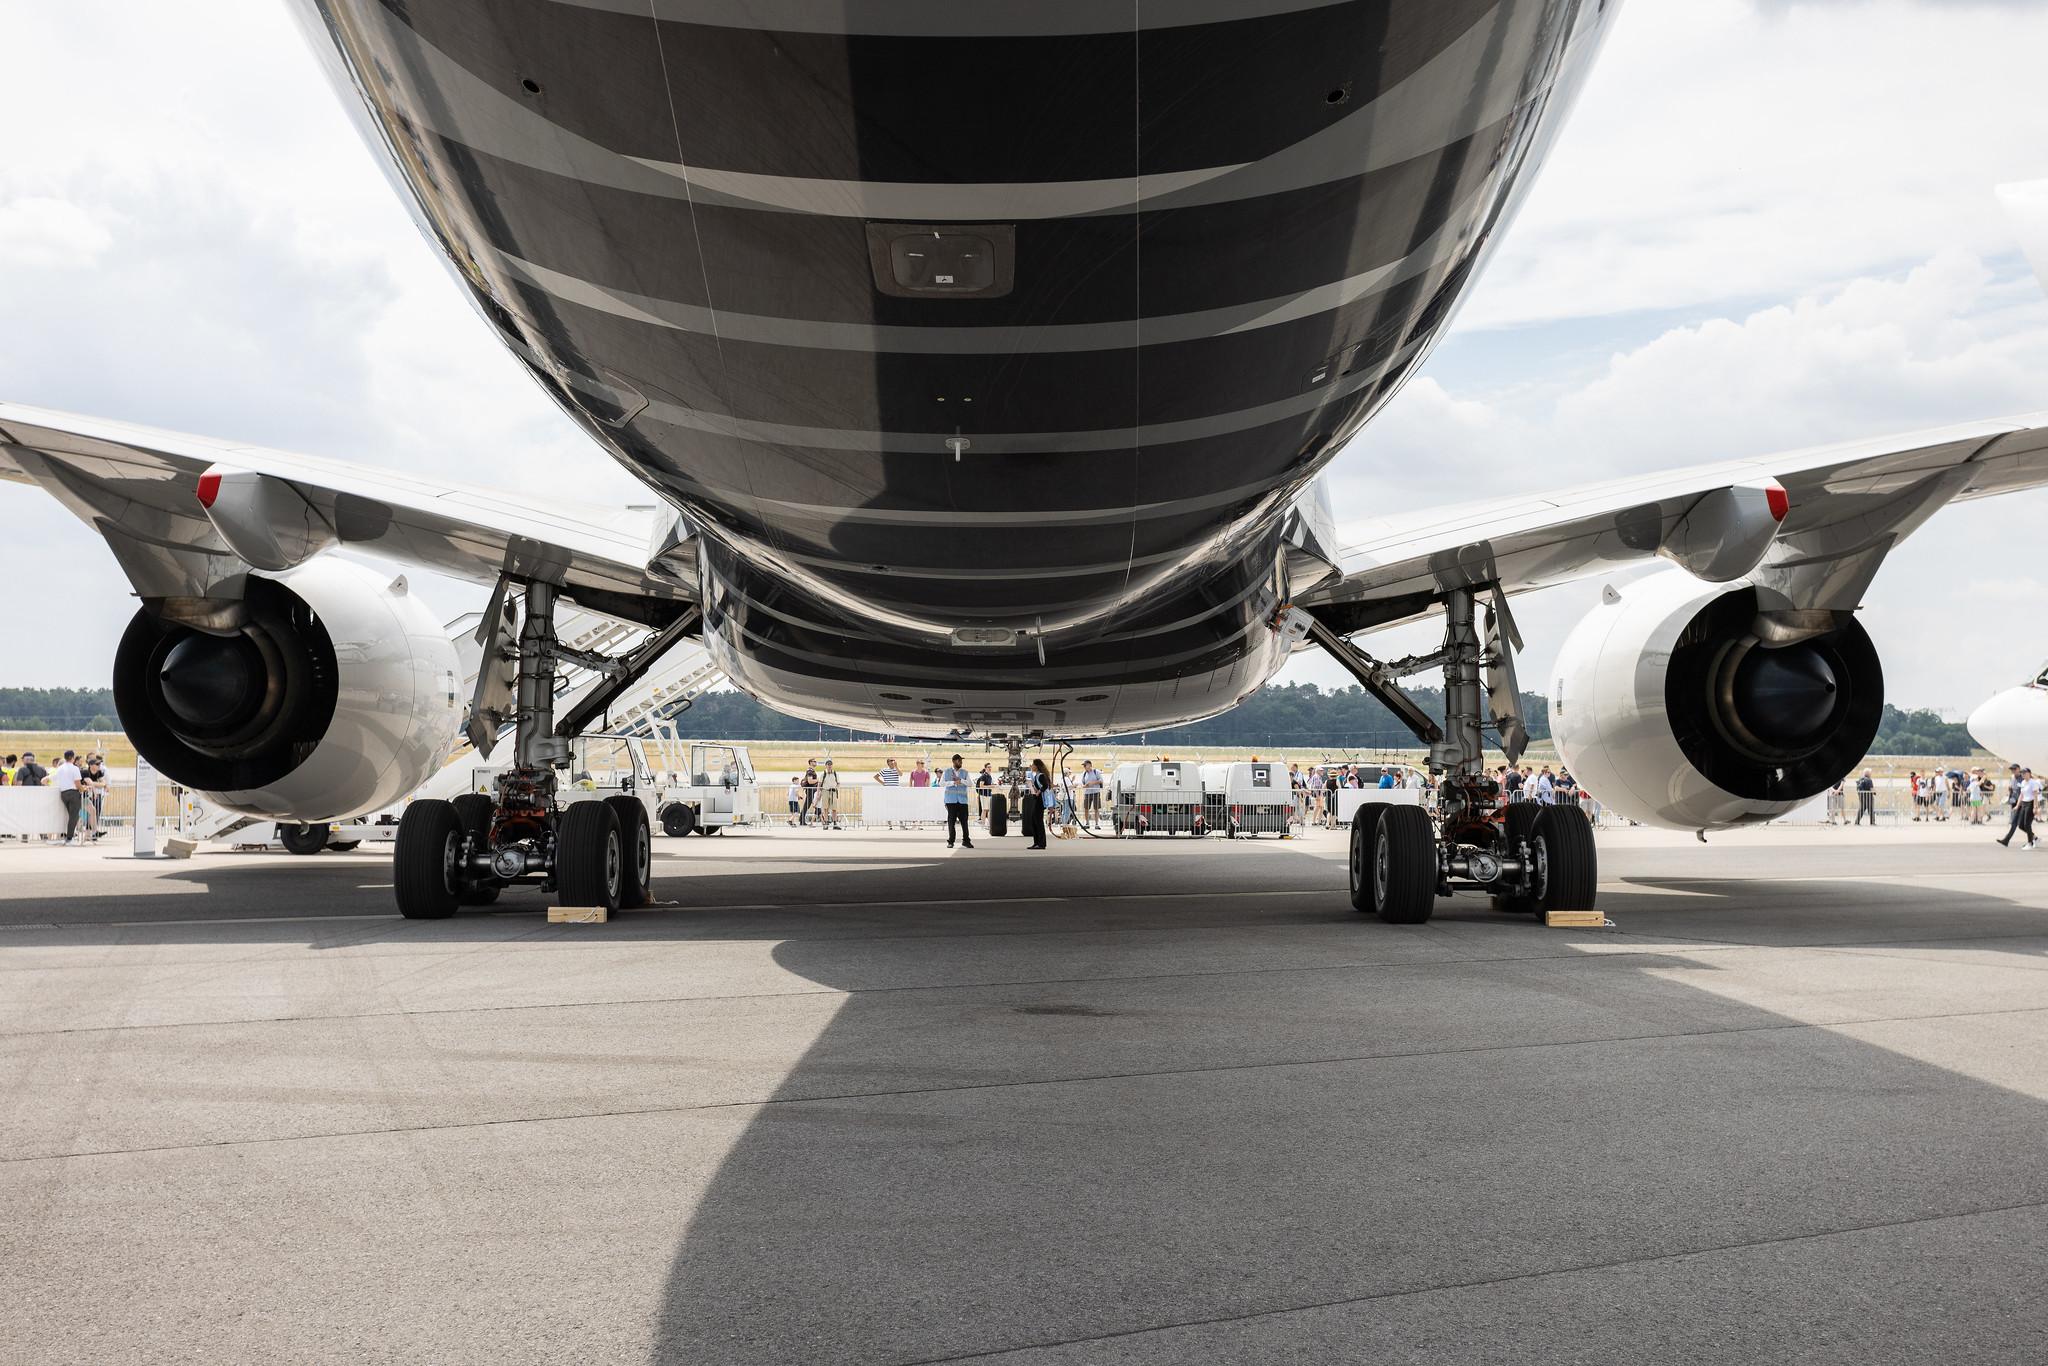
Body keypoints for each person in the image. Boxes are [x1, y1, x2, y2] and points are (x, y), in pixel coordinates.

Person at [1999, 766, 2039, 849]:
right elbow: (2021, 795)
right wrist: (2017, 805)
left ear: (2029, 773)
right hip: (2024, 803)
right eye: (2022, 773)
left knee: (2027, 824)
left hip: (2030, 803)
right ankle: (2034, 838)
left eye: (2025, 773)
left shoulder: (2033, 782)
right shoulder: (2023, 782)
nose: (2023, 774)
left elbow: (2035, 795)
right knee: (2021, 825)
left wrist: (2035, 807)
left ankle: (2030, 843)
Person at [940, 753, 974, 849]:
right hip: (951, 801)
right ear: (954, 761)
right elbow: (941, 783)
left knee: (964, 822)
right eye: (959, 761)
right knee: (951, 822)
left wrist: (961, 781)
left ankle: (966, 841)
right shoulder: (946, 772)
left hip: (962, 801)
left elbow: (970, 784)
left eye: (961, 761)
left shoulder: (965, 772)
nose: (961, 762)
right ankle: (951, 841)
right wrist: (953, 782)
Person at [51, 750, 84, 845]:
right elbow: (77, 783)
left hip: (63, 793)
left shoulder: (60, 768)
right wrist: (82, 789)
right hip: (73, 793)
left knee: (71, 816)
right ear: (73, 758)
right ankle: (69, 838)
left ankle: (68, 836)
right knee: (74, 816)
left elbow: (55, 777)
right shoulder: (75, 768)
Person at [1024, 758, 1053, 849]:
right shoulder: (1036, 775)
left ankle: (1041, 843)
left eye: (1033, 764)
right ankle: (1037, 842)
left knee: (1038, 821)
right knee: (1034, 820)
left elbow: (1045, 785)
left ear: (1037, 766)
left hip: (1040, 800)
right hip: (1037, 799)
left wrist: (1038, 792)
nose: (1032, 766)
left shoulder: (1040, 775)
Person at [1080, 759, 1105, 828]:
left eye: (1085, 765)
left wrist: (1092, 783)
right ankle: (1087, 823)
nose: (1084, 766)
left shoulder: (1096, 772)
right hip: (1087, 793)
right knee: (1086, 808)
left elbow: (1101, 780)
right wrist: (1085, 786)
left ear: (1090, 765)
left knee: (1096, 808)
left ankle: (1097, 824)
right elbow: (1082, 783)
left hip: (1095, 792)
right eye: (1084, 765)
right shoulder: (1084, 773)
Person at [818, 759, 841, 830]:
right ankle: (826, 823)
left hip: (833, 791)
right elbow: (819, 784)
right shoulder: (823, 774)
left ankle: (835, 823)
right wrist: (818, 794)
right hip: (825, 791)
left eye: (830, 765)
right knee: (825, 808)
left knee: (834, 808)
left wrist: (836, 788)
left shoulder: (835, 774)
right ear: (826, 766)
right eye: (828, 765)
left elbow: (838, 783)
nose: (829, 766)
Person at [799, 760, 819, 826]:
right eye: (814, 761)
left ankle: (801, 819)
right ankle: (801, 820)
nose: (815, 762)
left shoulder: (811, 770)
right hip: (810, 790)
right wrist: (818, 780)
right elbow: (810, 781)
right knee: (806, 805)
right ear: (810, 763)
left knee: (807, 805)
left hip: (811, 790)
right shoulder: (810, 771)